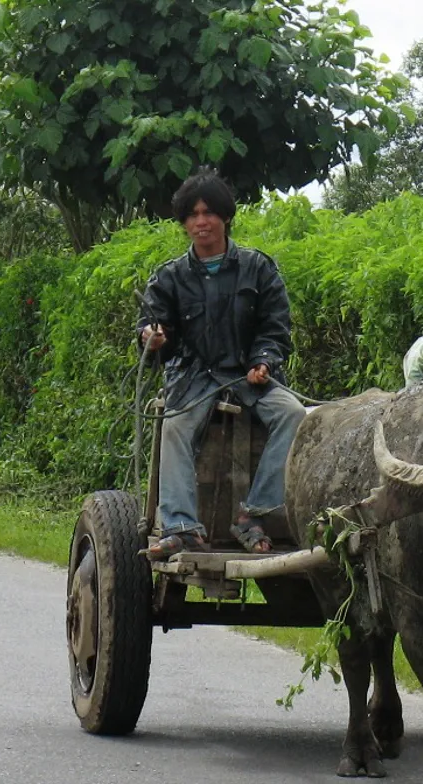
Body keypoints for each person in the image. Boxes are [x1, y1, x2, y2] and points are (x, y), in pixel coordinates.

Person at [137, 170, 305, 558]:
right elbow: (152, 330)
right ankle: (181, 527)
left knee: (294, 414)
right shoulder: (168, 277)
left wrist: (263, 361)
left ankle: (255, 513)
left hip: (250, 376)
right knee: (174, 426)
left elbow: (275, 328)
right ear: (183, 223)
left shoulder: (259, 268)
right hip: (193, 379)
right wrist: (153, 338)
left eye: (209, 213)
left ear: (226, 217)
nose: (201, 222)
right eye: (192, 215)